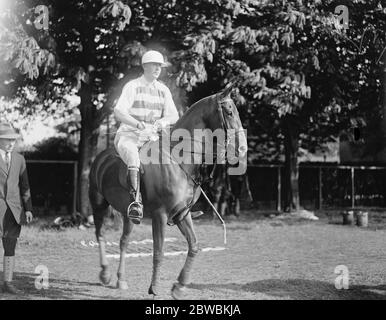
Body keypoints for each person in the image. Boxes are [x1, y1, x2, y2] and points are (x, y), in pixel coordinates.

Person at [114, 50, 179, 224]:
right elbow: (119, 111)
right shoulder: (132, 86)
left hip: (152, 138)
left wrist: (161, 123)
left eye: (160, 66)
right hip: (129, 135)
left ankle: (175, 205)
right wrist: (138, 124)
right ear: (145, 66)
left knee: (173, 159)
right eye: (154, 65)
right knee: (133, 156)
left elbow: (174, 116)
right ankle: (135, 202)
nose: (158, 68)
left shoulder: (163, 90)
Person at [0, 122, 33, 294]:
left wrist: (28, 208)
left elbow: (25, 185)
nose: (10, 143)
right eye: (7, 140)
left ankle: (8, 282)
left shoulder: (20, 159)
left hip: (13, 211)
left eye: (13, 140)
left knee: (10, 246)